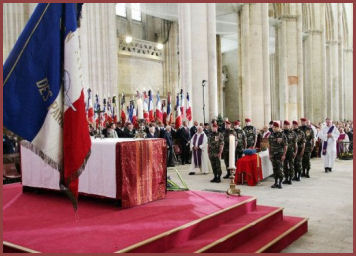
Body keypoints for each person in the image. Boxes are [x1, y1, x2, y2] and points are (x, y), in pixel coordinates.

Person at [268, 122, 287, 189]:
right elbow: (269, 146)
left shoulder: (282, 135)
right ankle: (276, 182)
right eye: (273, 127)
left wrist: (284, 155)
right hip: (273, 155)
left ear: (278, 128)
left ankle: (280, 183)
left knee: (280, 169)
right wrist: (269, 154)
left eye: (275, 127)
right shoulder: (271, 135)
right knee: (275, 169)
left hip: (280, 154)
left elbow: (285, 146)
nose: (274, 128)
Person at [282, 120, 297, 185]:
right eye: (284, 125)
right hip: (283, 152)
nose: (285, 126)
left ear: (289, 126)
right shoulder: (281, 133)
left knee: (291, 165)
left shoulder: (293, 133)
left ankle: (290, 178)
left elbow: (295, 144)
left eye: (286, 125)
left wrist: (295, 151)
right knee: (285, 165)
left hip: (291, 151)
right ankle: (286, 178)